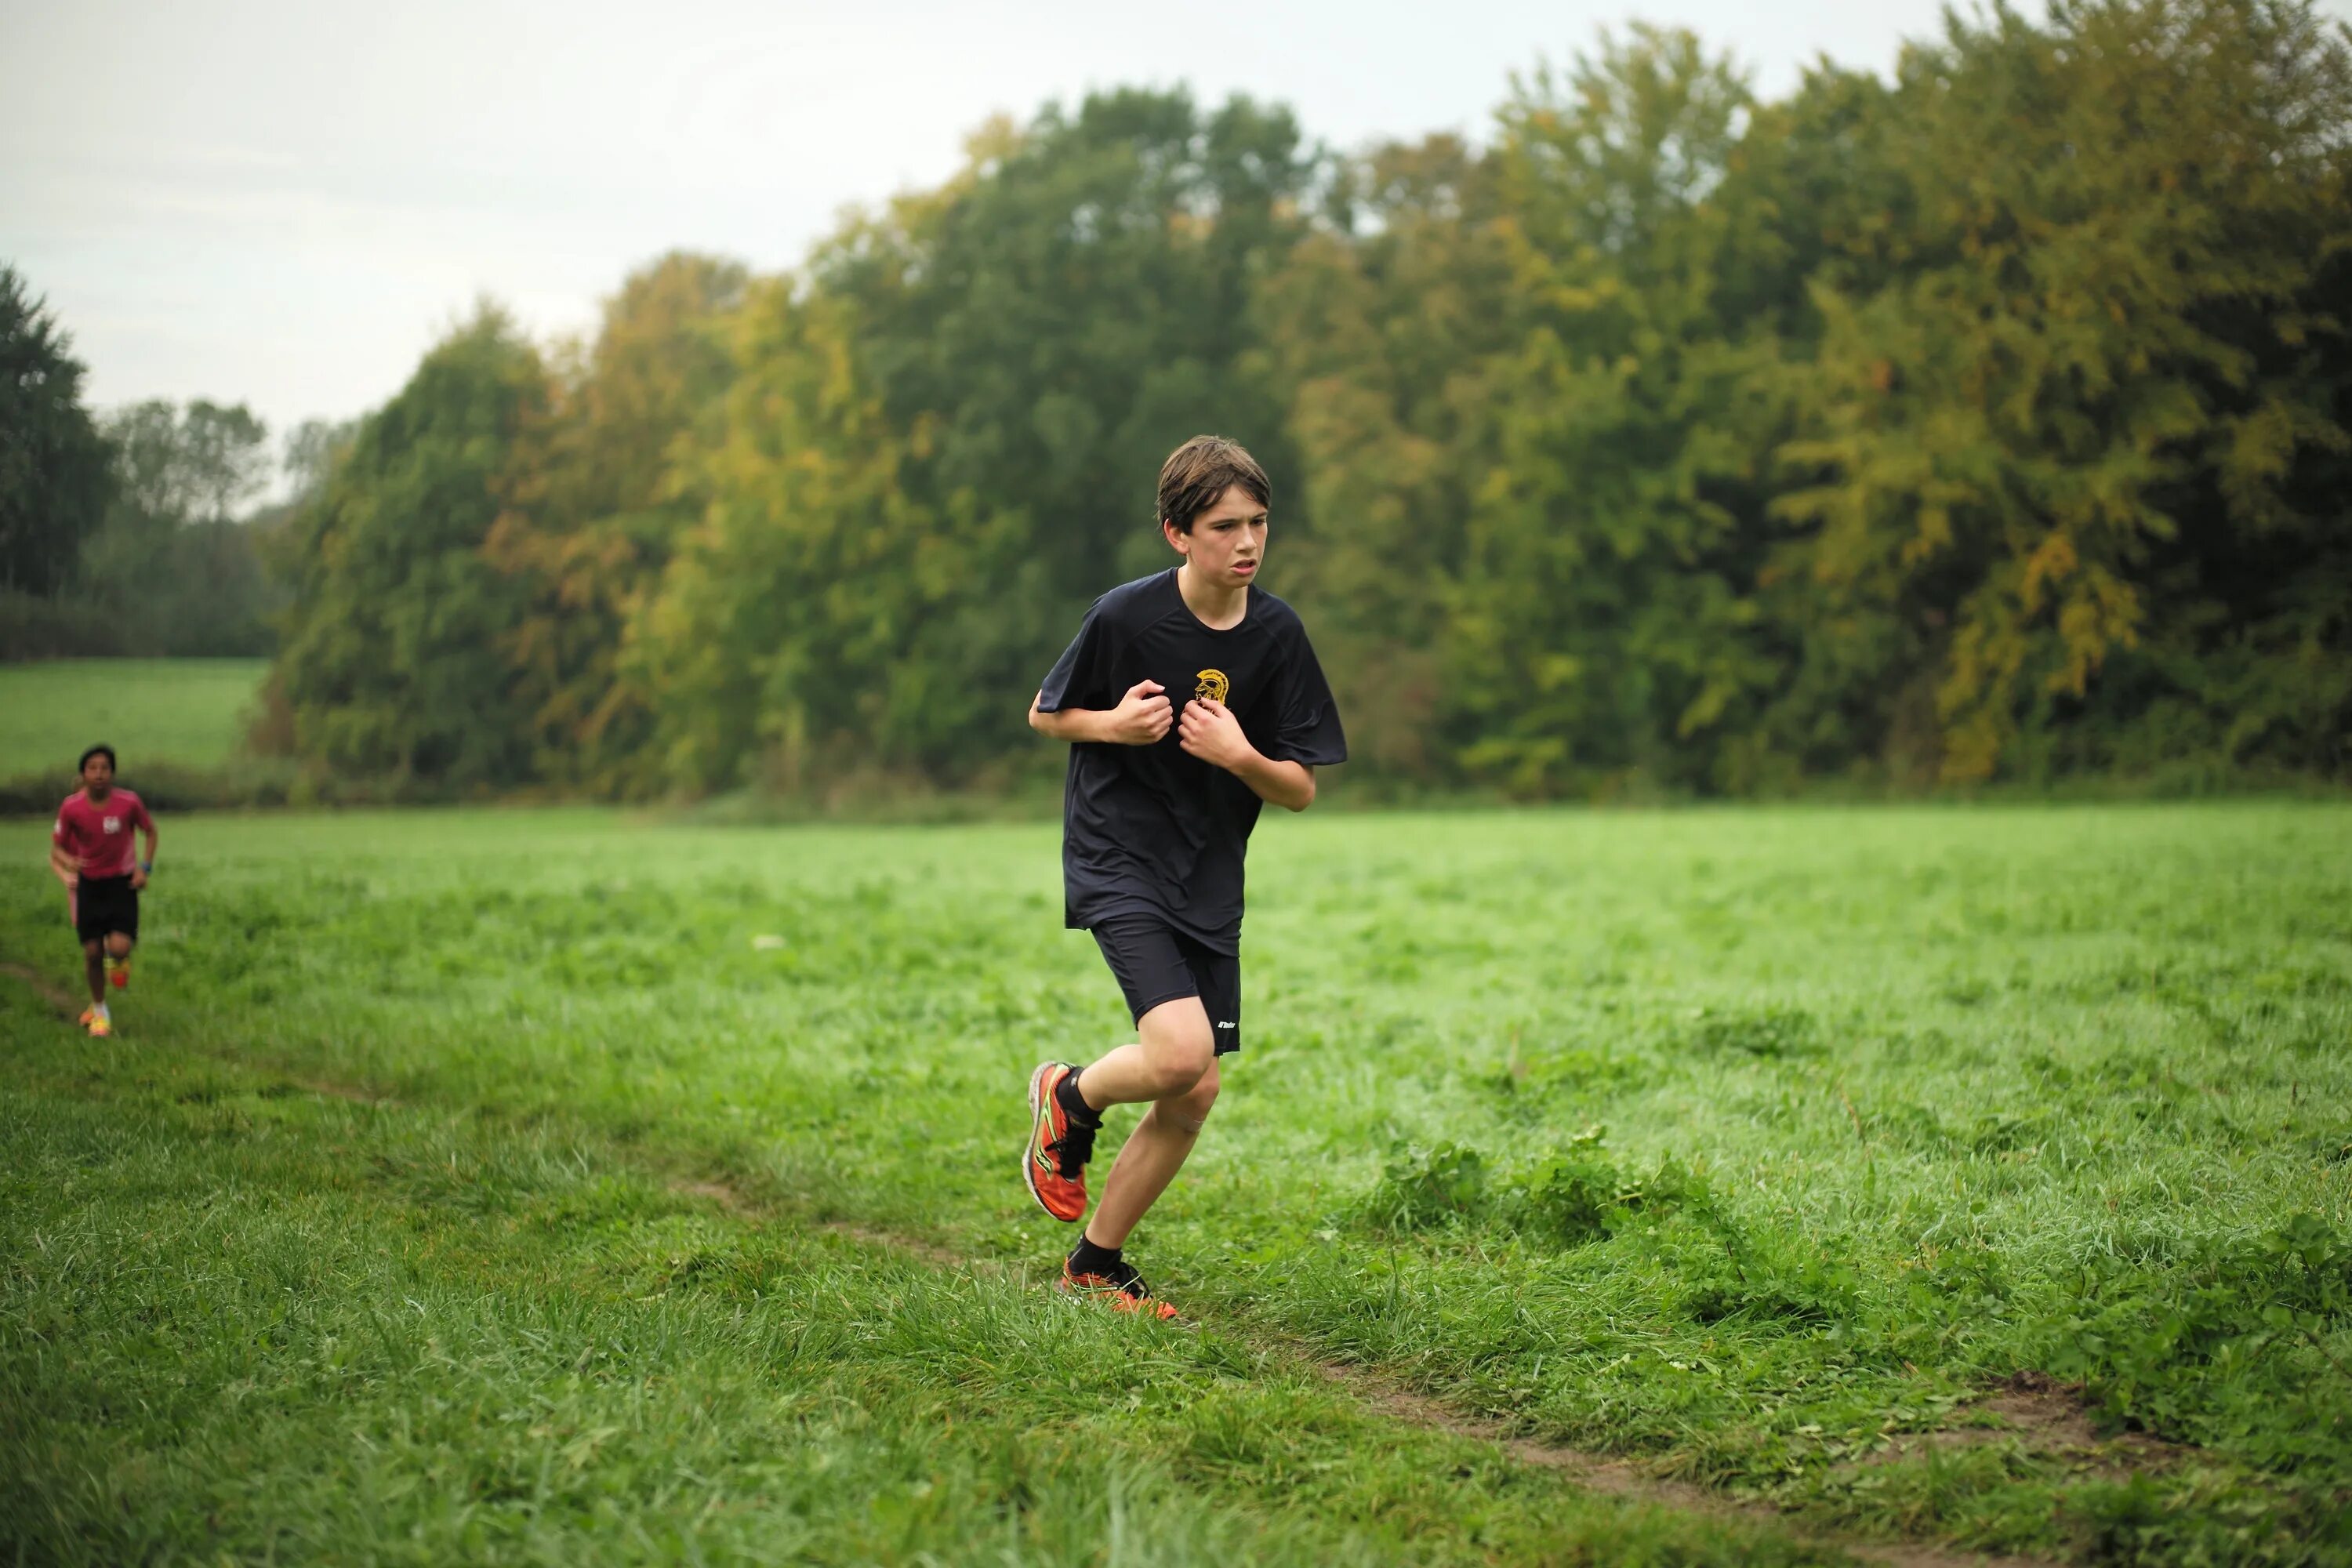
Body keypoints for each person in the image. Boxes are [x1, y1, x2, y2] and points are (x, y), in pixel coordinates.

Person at [1022, 434, 1346, 1317]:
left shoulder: (1278, 635)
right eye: (1224, 526)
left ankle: (1095, 1263)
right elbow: (1047, 716)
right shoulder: (1125, 618)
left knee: (1193, 1087)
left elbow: (1302, 788)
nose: (1247, 543)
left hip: (1208, 875)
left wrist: (1242, 753)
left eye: (1259, 524)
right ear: (1177, 533)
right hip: (1117, 853)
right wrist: (1114, 727)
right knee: (1180, 1054)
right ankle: (1071, 1094)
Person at [49, 744, 157, 1038]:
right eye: (92, 768)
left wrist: (144, 868)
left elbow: (150, 831)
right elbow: (56, 847)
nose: (98, 774)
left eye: (104, 768)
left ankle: (120, 961)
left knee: (119, 947)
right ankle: (100, 1011)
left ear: (112, 773)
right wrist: (68, 862)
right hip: (89, 887)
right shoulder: (71, 808)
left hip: (121, 884)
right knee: (93, 952)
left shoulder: (128, 803)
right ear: (83, 774)